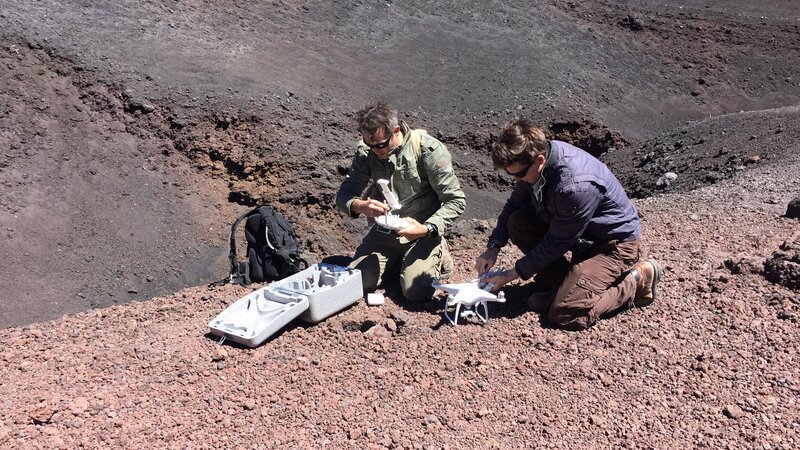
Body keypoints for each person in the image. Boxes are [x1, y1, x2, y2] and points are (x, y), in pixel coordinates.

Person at [476, 118, 661, 330]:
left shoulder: (574, 187)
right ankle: (564, 285)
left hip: (611, 244)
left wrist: (511, 274)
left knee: (565, 314)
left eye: (518, 174)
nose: (516, 180)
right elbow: (515, 203)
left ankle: (637, 280)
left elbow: (556, 242)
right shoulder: (538, 161)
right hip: (580, 234)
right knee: (518, 223)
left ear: (539, 160)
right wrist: (494, 247)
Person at [336, 102, 466, 302]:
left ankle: (439, 253)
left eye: (381, 145)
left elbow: (455, 200)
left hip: (421, 230)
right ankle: (398, 261)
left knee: (415, 291)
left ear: (396, 130)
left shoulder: (427, 150)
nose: (376, 151)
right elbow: (345, 193)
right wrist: (358, 205)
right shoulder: (367, 152)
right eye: (370, 145)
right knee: (355, 283)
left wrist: (427, 228)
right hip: (386, 229)